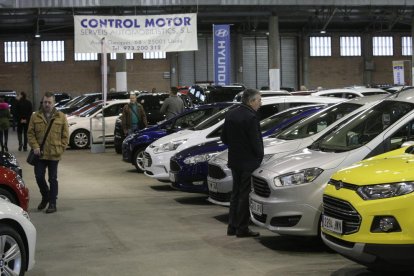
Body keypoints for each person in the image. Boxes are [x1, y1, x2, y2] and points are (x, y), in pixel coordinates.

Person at [221, 89, 264, 238]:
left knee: (235, 194)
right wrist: (260, 157)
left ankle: (231, 226)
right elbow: (256, 141)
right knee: (244, 195)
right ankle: (242, 228)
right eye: (259, 100)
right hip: (248, 162)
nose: (260, 103)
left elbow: (224, 138)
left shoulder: (231, 113)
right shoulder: (251, 117)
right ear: (251, 101)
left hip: (234, 160)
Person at [27, 92, 69, 214]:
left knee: (53, 179)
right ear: (42, 102)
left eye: (49, 102)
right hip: (39, 154)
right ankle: (45, 196)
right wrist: (34, 146)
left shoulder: (61, 116)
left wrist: (61, 149)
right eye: (45, 102)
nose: (47, 104)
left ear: (54, 103)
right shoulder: (35, 116)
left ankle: (52, 203)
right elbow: (30, 133)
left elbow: (65, 136)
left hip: (54, 154)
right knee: (39, 177)